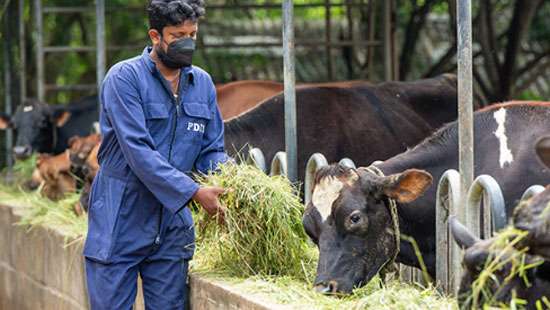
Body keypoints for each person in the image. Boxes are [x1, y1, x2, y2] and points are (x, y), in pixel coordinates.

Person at [83, 1, 228, 308]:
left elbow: (212, 149)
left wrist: (230, 184)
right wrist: (194, 191)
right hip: (121, 220)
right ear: (155, 36)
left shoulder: (200, 83)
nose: (187, 42)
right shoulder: (124, 79)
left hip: (172, 227)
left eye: (193, 33)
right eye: (178, 35)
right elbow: (138, 152)